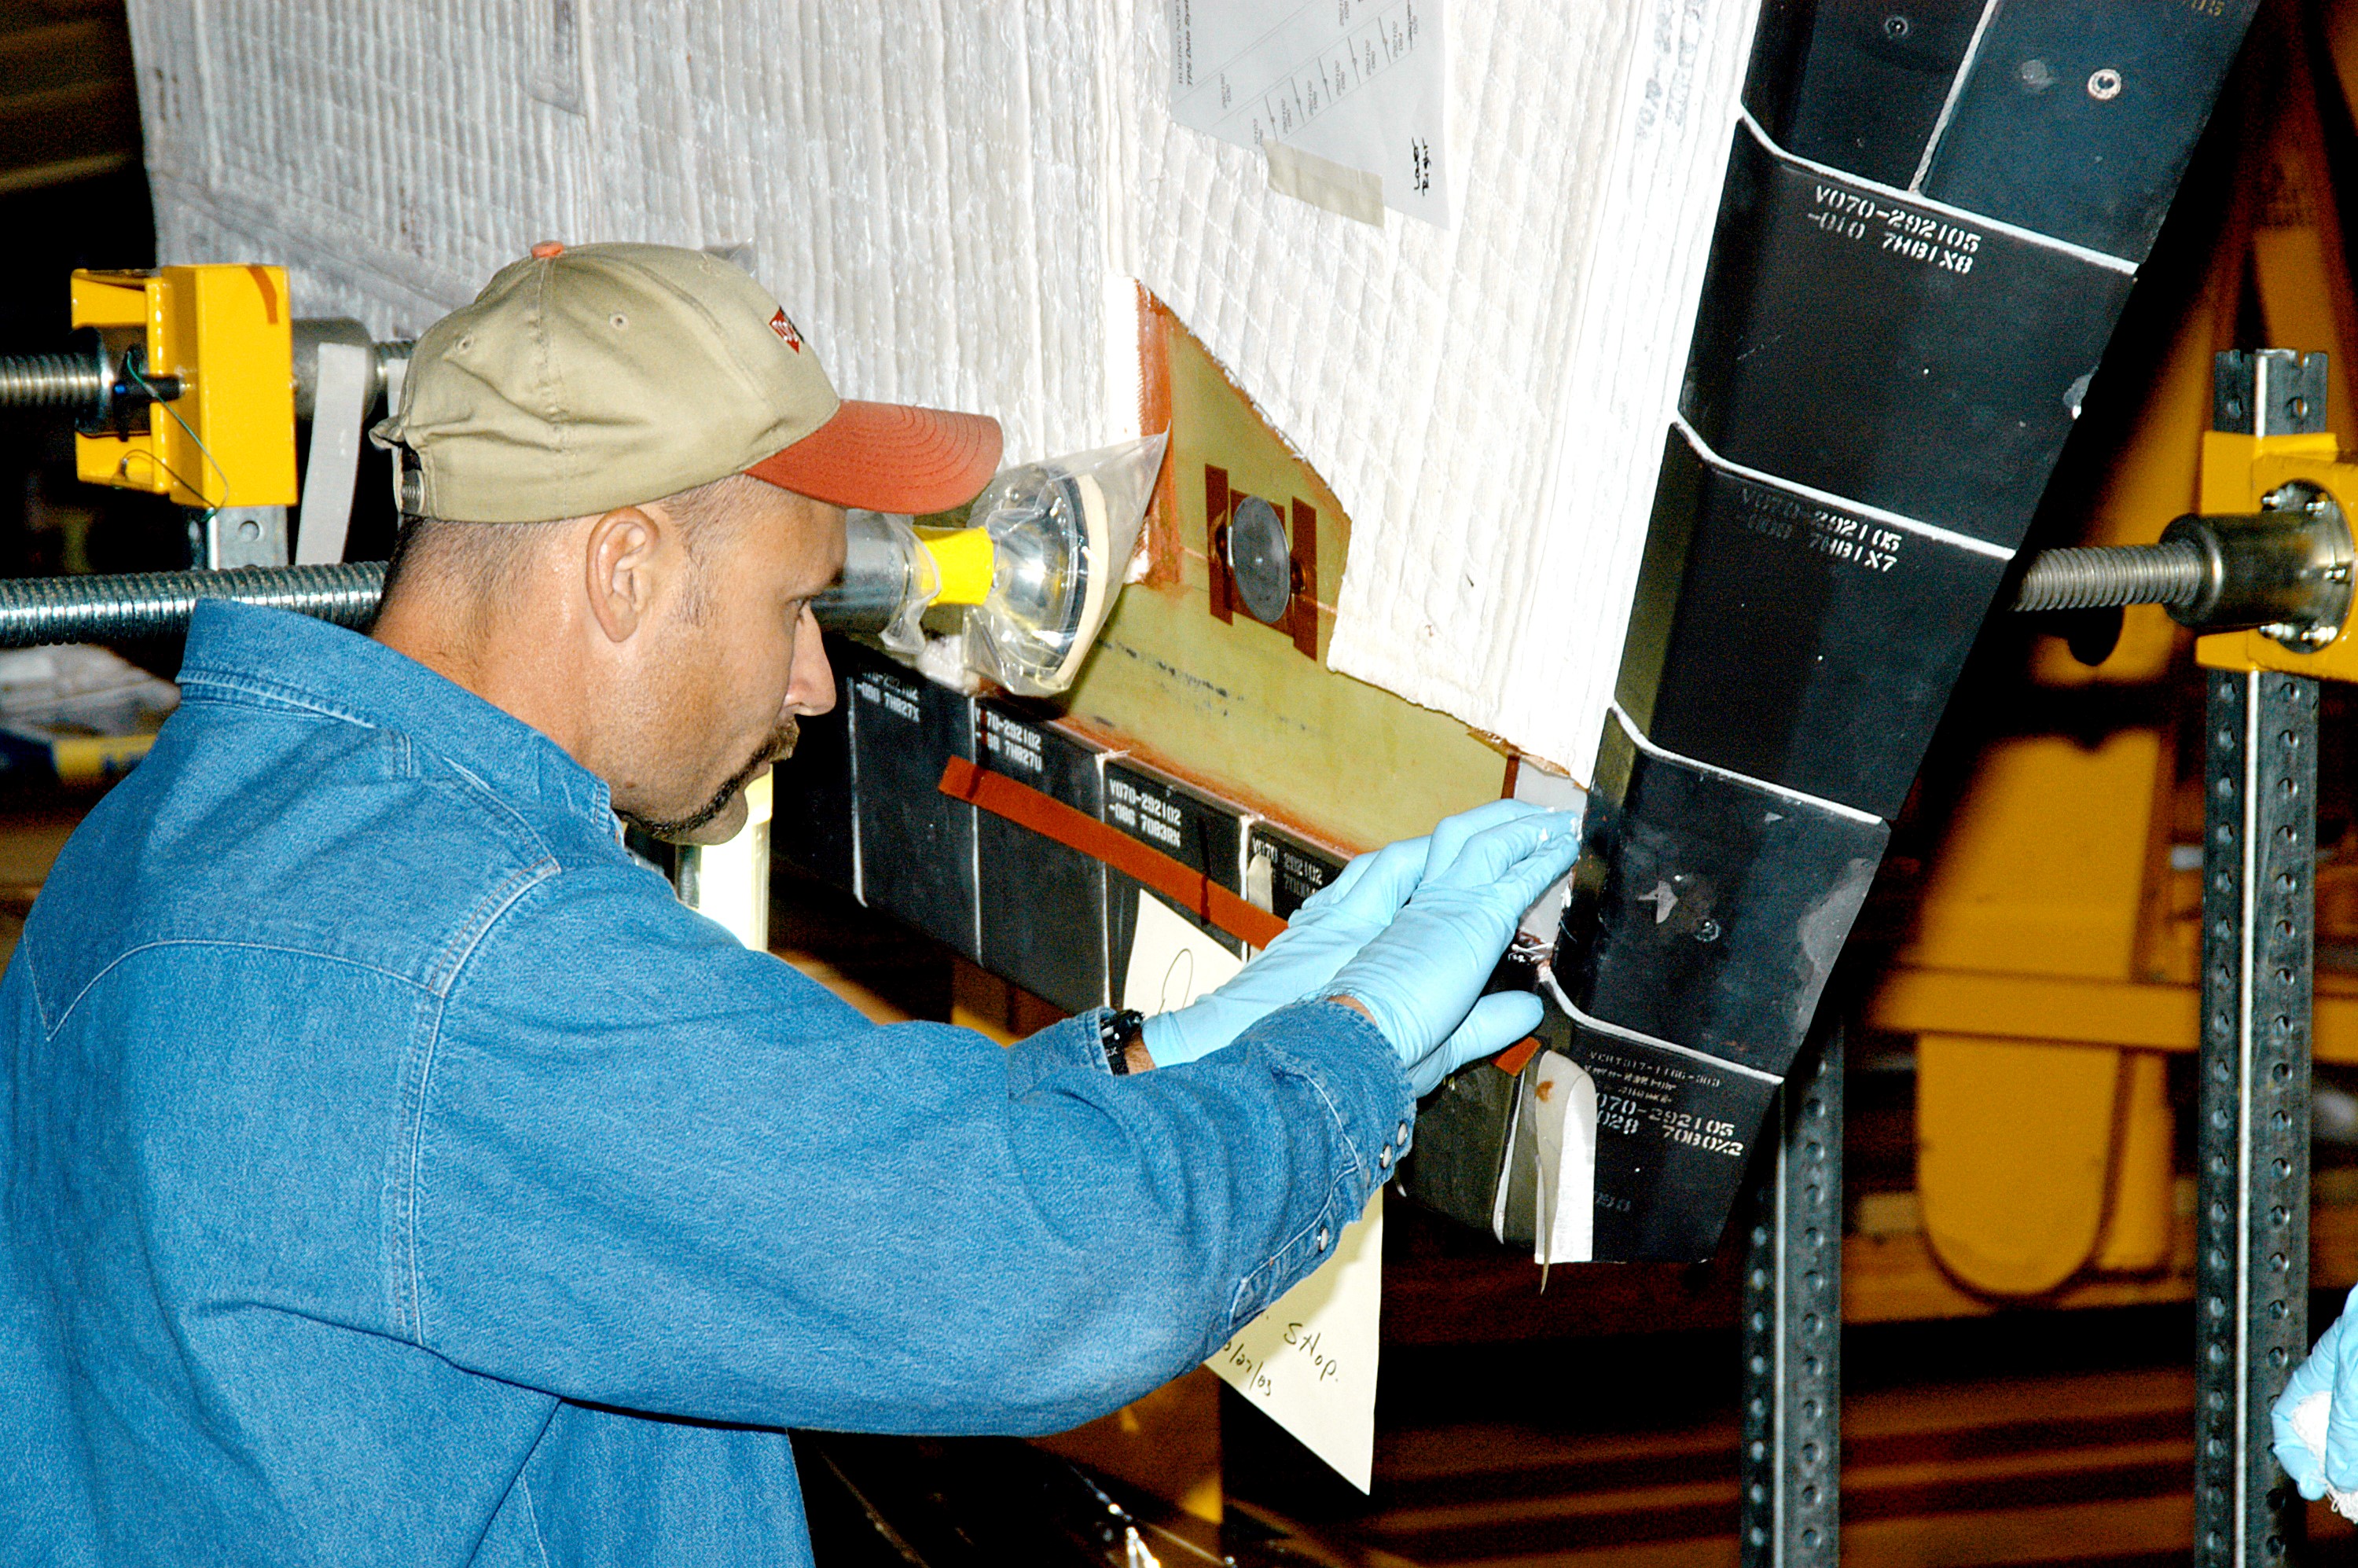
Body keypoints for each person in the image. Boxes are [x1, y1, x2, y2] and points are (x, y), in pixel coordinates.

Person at [0, 243, 1578, 1565]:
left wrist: (1154, 1065)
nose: (817, 680)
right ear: (622, 567)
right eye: (793, 605)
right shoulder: (471, 967)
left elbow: (773, 1153)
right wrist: (1346, 1057)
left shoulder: (175, 834)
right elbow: (1036, 1275)